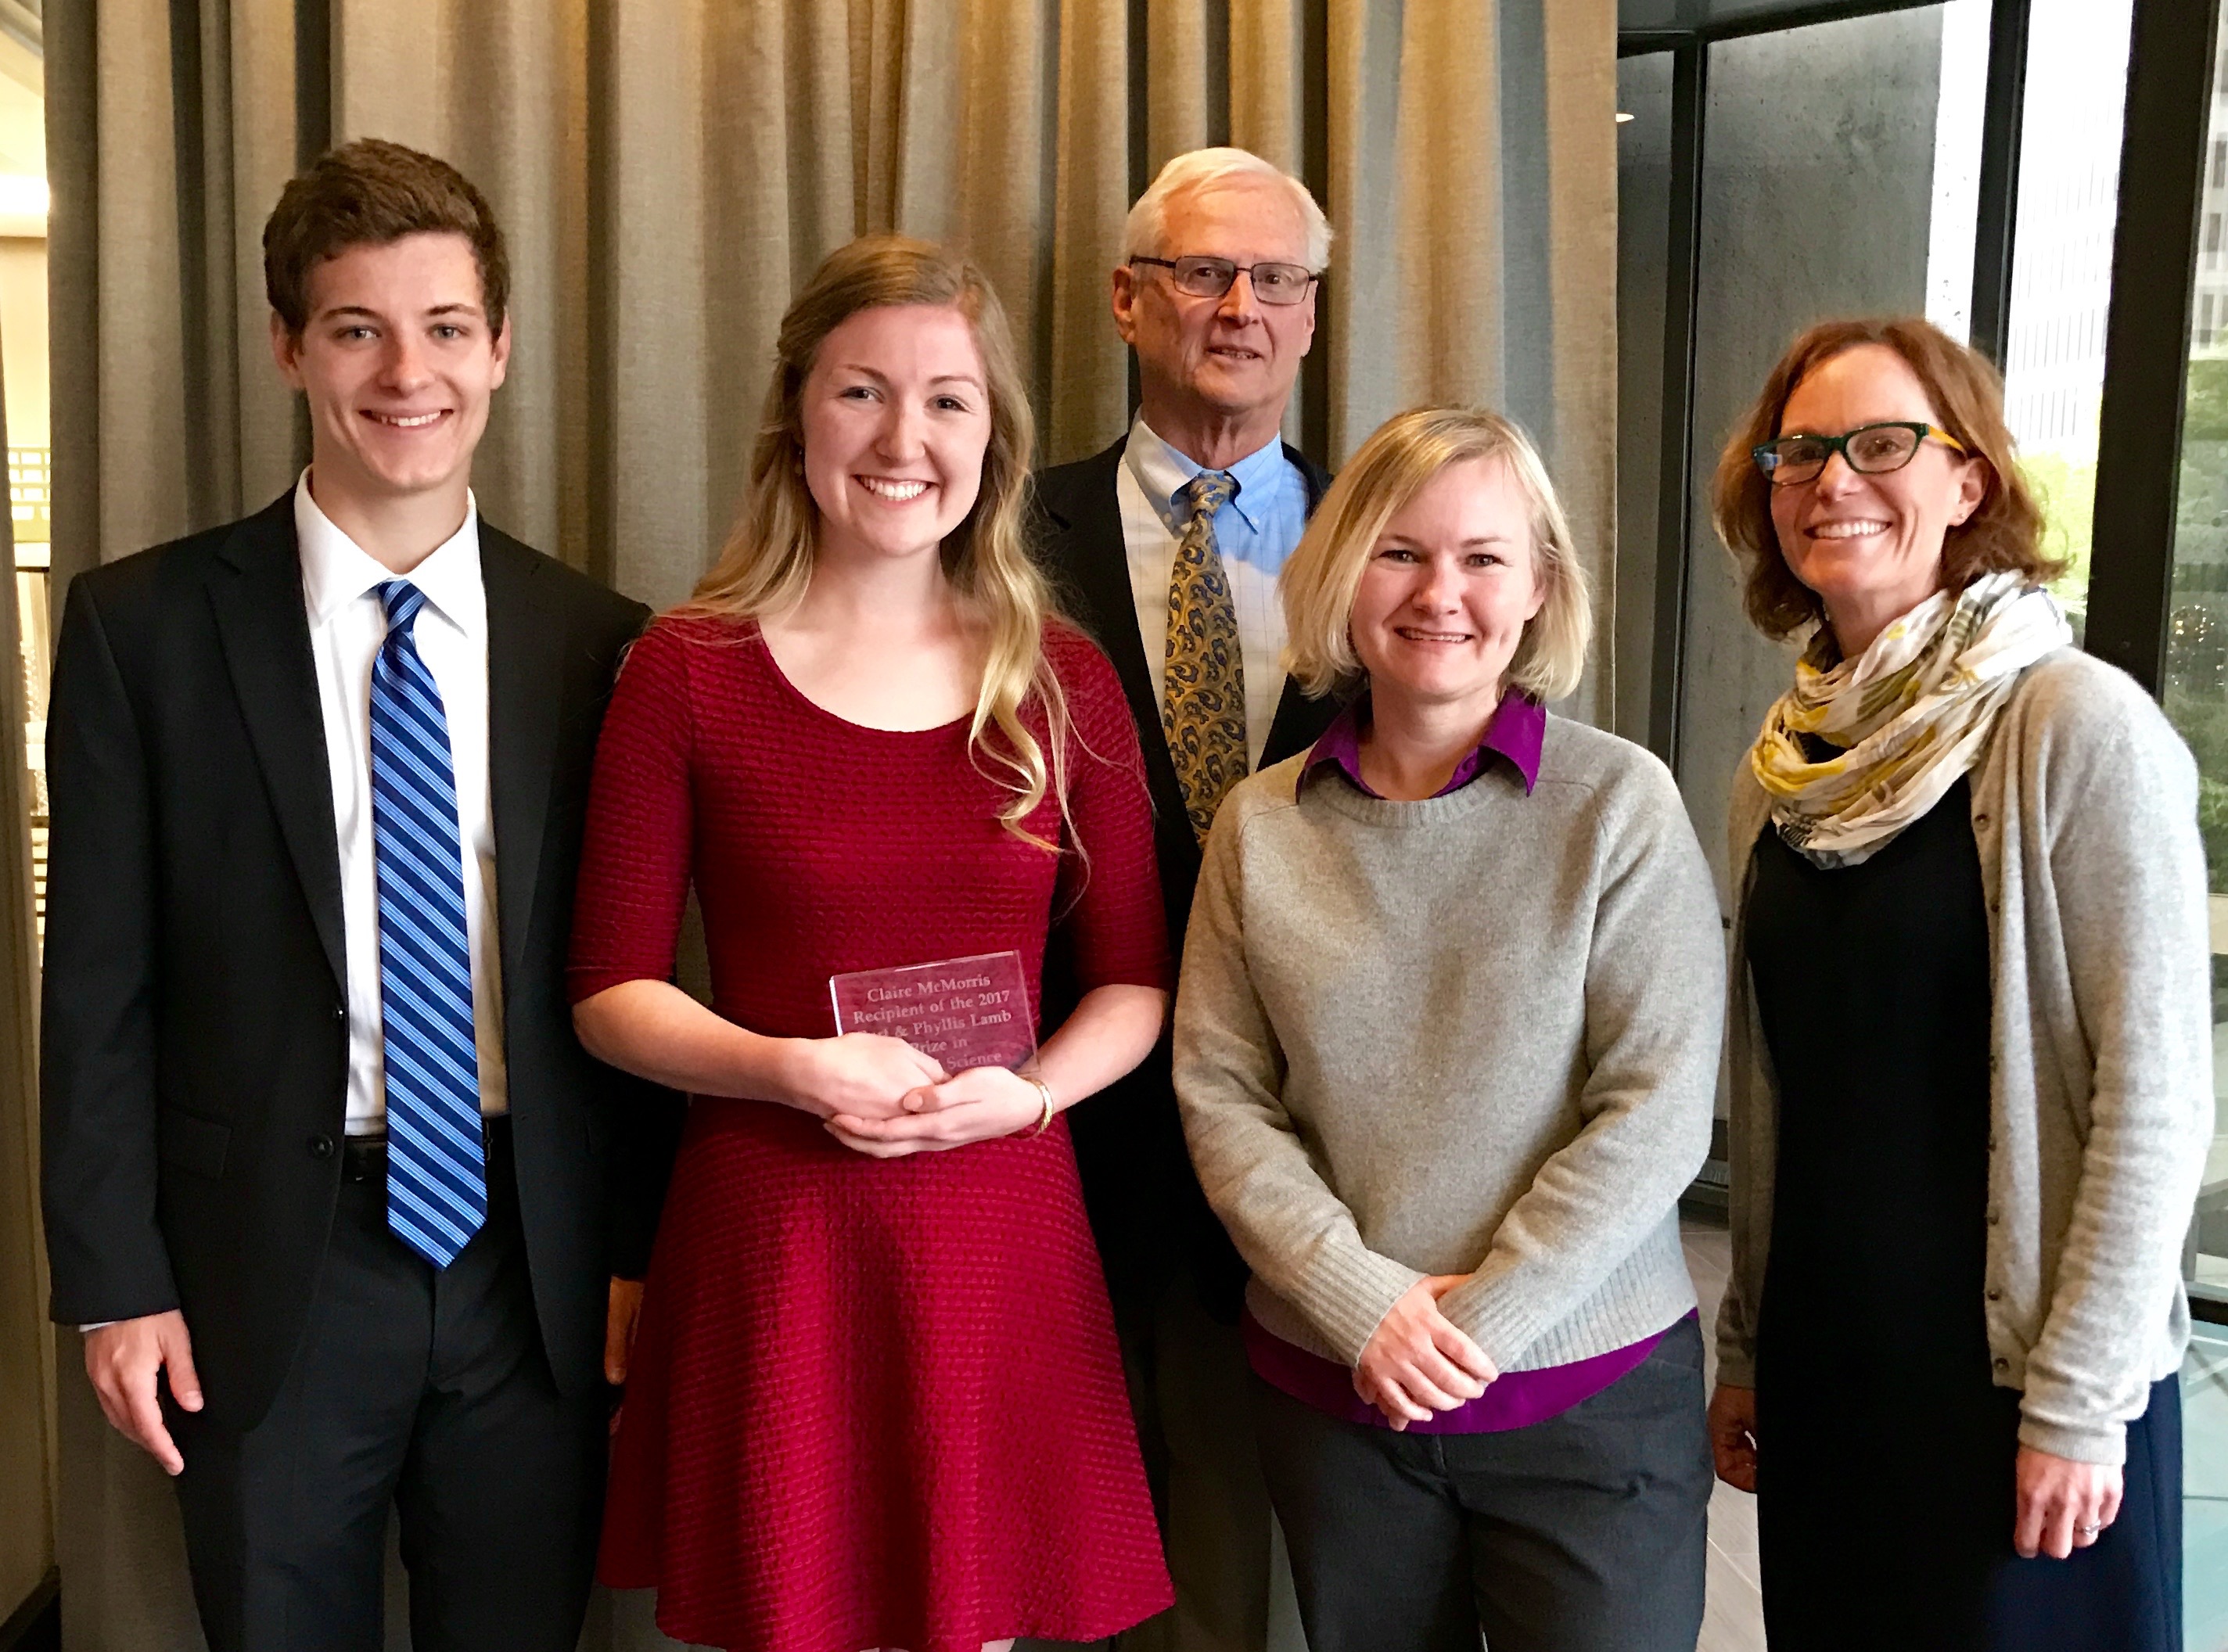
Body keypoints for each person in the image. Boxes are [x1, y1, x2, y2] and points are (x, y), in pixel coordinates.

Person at [39, 139, 660, 1652]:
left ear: (499, 347)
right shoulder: (141, 628)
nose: (407, 374)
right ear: (288, 346)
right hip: (263, 1263)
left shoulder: (601, 642)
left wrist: (641, 1252)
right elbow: (97, 987)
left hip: (533, 1263)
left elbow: (639, 966)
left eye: (445, 327)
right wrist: (113, 1283)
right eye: (357, 329)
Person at [571, 234, 1175, 1652]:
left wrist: (1031, 1094)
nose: (906, 441)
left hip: (997, 1237)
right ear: (797, 416)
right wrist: (788, 1068)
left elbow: (1138, 985)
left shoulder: (1063, 678)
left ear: (992, 435)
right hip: (775, 1238)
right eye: (863, 392)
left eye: (947, 400)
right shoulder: (685, 671)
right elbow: (609, 991)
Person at [1173, 406, 1723, 1652]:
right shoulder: (1259, 826)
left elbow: (1657, 1105)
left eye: (1483, 557)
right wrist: (1360, 1301)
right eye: (1400, 552)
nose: (1441, 594)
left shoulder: (1620, 804)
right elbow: (1222, 1098)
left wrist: (1473, 1328)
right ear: (1341, 572)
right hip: (1338, 1399)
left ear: (1539, 588)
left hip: (1588, 1402)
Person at [1705, 317, 2212, 1651]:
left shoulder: (2074, 727)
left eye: (1883, 444)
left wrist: (2078, 1404)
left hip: (2019, 1386)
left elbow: (2155, 1102)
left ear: (1968, 480)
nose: (1834, 480)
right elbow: (1785, 1095)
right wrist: (1748, 1344)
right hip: (1833, 1366)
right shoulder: (1784, 771)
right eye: (1801, 452)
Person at [1030, 145, 1340, 1652]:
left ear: (1311, 312)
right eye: (1204, 271)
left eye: (1275, 278)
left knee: (1258, 1561)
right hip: (1056, 1123)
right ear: (1126, 299)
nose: (1239, 307)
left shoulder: (1393, 549)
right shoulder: (1001, 536)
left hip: (1318, 1133)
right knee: (1058, 1549)